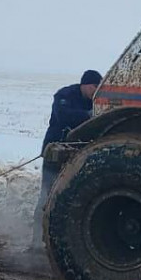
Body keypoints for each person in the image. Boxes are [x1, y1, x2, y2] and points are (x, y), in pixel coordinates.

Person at [37, 69, 102, 216]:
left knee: (69, 194)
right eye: (94, 87)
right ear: (85, 84)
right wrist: (89, 116)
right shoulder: (64, 95)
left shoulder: (95, 101)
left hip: (76, 154)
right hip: (55, 151)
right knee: (48, 193)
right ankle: (38, 232)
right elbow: (63, 116)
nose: (96, 91)